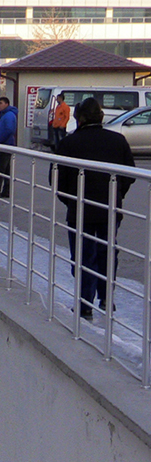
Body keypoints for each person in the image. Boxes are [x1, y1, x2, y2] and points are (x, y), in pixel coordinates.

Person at [54, 97, 135, 320]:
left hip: (80, 209)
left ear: (79, 118)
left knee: (83, 254)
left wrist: (70, 201)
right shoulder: (118, 140)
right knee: (108, 251)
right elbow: (130, 174)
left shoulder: (69, 143)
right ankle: (107, 298)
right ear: (101, 117)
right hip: (110, 206)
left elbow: (58, 180)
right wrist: (118, 193)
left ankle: (84, 303)